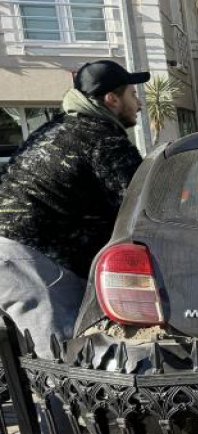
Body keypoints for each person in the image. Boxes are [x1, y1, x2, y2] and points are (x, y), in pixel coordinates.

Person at [0, 60, 148, 357]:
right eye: (133, 94)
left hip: (11, 251)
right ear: (112, 99)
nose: (140, 104)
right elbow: (140, 207)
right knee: (62, 358)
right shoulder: (103, 140)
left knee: (23, 359)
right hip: (34, 259)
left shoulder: (57, 129)